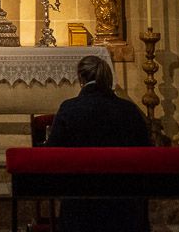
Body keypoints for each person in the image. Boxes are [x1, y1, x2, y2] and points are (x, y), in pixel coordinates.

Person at [45, 55, 152, 232]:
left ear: (81, 78)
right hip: (124, 203)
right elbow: (145, 152)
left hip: (80, 202)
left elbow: (52, 152)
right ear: (108, 78)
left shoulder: (70, 108)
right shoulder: (129, 110)